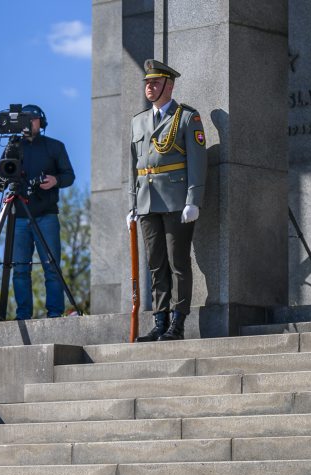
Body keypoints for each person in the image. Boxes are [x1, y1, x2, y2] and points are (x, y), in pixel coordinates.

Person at [127, 59, 207, 341]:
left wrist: (193, 199)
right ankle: (159, 321)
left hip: (176, 201)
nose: (149, 87)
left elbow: (198, 162)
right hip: (148, 202)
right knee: (155, 264)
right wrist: (132, 204)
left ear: (168, 85)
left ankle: (178, 322)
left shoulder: (186, 118)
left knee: (178, 263)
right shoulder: (138, 121)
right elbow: (134, 166)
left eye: (155, 83)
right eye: (147, 83)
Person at [0, 104, 75, 319]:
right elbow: (4, 174)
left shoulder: (55, 147)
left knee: (51, 267)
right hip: (18, 216)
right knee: (20, 269)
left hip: (46, 215)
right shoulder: (13, 147)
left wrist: (55, 180)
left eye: (31, 119)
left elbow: (69, 176)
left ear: (40, 122)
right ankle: (22, 315)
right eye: (24, 119)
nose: (28, 123)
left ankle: (54, 314)